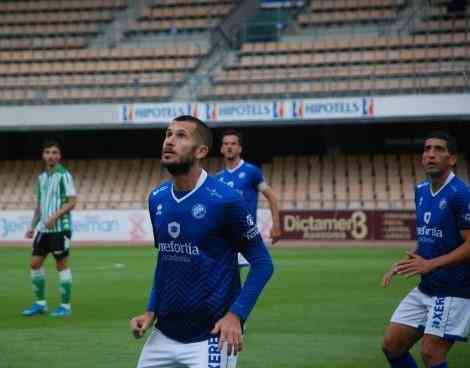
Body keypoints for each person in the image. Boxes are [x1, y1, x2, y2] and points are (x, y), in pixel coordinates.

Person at [130, 116, 274, 368]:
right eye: (168, 134)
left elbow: (263, 263)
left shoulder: (226, 200)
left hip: (211, 337)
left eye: (181, 135)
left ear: (201, 151)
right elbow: (165, 261)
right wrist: (151, 310)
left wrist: (236, 315)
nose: (170, 141)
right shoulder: (157, 198)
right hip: (163, 335)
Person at [381, 131, 470, 368]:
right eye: (427, 149)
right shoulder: (421, 190)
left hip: (453, 290)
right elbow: (428, 238)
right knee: (392, 345)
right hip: (427, 286)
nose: (430, 154)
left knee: (431, 352)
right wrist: (404, 262)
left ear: (452, 159)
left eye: (438, 149)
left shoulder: (460, 194)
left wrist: (430, 264)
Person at [22, 140, 77, 317]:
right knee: (35, 264)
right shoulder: (42, 178)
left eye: (54, 152)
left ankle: (65, 306)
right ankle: (40, 304)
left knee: (61, 265)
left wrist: (55, 216)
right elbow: (39, 205)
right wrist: (32, 226)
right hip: (44, 229)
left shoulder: (64, 175)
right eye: (47, 152)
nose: (51, 155)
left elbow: (72, 202)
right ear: (43, 155)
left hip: (61, 228)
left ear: (59, 156)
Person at [216, 129, 281, 266]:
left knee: (261, 269)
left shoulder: (251, 172)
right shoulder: (218, 178)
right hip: (225, 237)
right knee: (226, 280)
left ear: (239, 148)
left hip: (246, 235)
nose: (229, 146)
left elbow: (271, 197)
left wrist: (276, 225)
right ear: (221, 149)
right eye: (226, 144)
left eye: (233, 144)